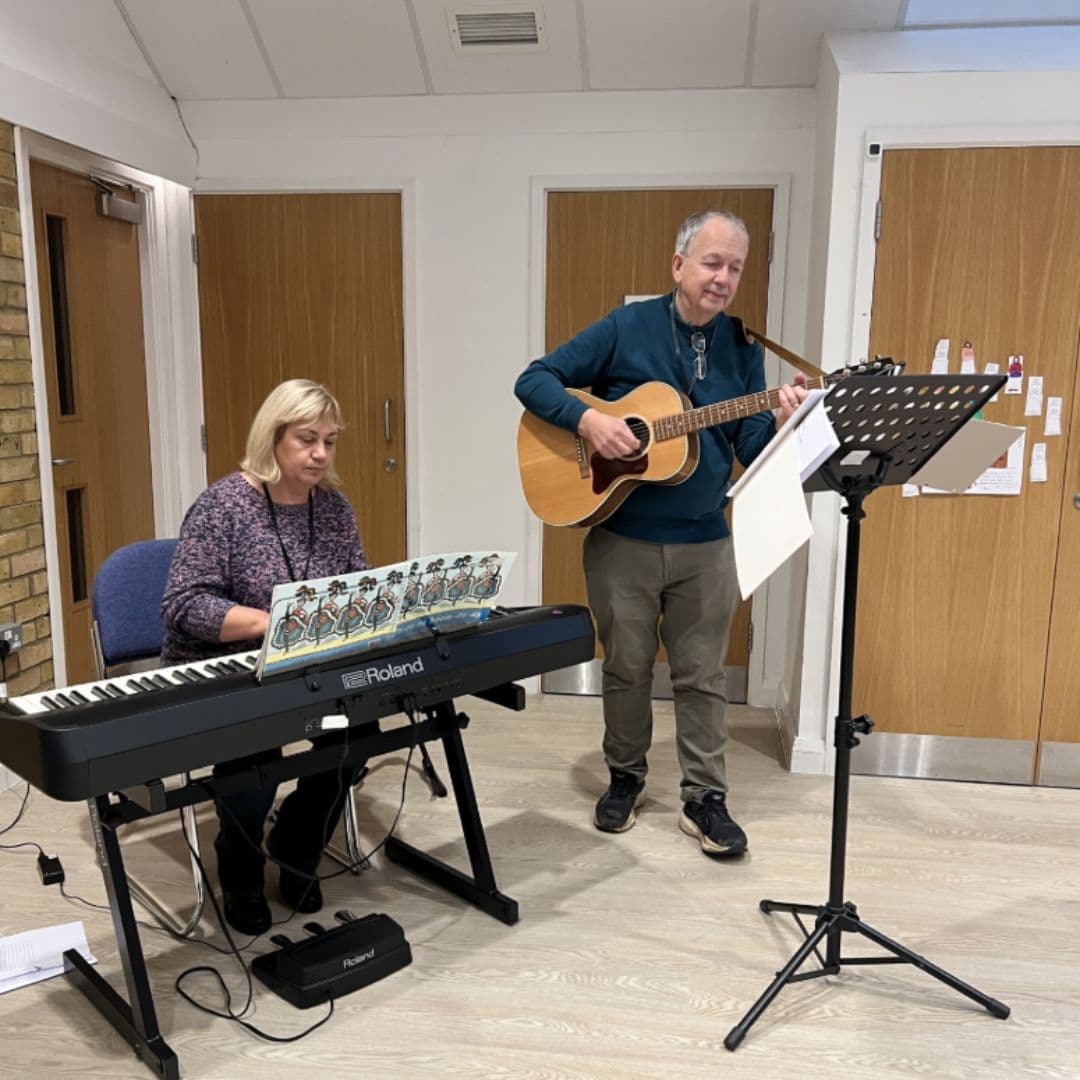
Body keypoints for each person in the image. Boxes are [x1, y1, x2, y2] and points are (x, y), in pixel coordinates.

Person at [514, 209, 806, 858]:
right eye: (712, 262)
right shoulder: (626, 328)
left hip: (706, 541)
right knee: (624, 667)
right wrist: (590, 422)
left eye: (735, 267)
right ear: (679, 265)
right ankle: (625, 777)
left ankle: (706, 799)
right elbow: (532, 380)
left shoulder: (744, 346)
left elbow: (748, 448)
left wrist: (783, 424)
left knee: (702, 675)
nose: (723, 277)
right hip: (623, 538)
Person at [161, 379, 368, 935]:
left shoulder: (333, 509)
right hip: (228, 666)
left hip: (306, 664)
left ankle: (297, 845)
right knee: (256, 757)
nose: (320, 454)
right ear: (272, 438)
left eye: (329, 440)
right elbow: (184, 605)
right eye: (306, 440)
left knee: (356, 738)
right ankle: (241, 866)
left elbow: (354, 589)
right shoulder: (223, 506)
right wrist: (281, 621)